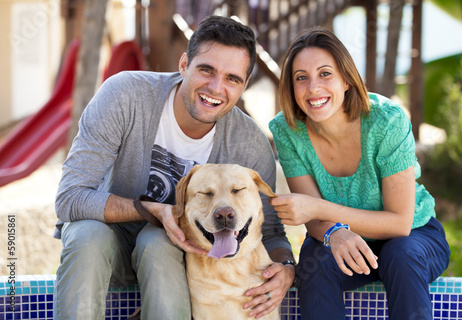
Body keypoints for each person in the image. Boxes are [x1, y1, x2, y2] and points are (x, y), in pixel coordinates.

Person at [54, 15, 295, 320]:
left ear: (245, 85)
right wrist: (152, 210)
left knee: (157, 240)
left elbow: (269, 228)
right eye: (206, 70)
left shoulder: (249, 144)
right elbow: (69, 199)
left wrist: (286, 269)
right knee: (88, 234)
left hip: (172, 260)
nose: (216, 88)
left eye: (232, 78)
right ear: (184, 65)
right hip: (103, 247)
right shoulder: (125, 96)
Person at [268, 27, 450, 319]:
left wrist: (323, 213)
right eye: (301, 78)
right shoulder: (287, 130)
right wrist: (332, 232)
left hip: (413, 235)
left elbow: (400, 224)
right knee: (315, 258)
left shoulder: (386, 121)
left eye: (325, 73)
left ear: (347, 80)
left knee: (399, 255)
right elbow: (312, 218)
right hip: (341, 239)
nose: (313, 88)